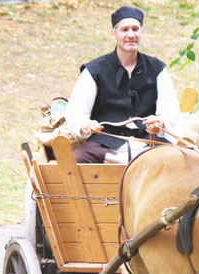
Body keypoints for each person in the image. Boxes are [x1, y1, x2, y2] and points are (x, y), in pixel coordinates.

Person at [64, 6, 180, 163]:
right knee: (73, 161)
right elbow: (75, 110)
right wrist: (85, 125)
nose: (131, 34)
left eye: (135, 29)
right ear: (114, 34)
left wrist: (160, 123)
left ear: (142, 32)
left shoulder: (157, 69)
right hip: (105, 144)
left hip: (148, 143)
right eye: (124, 29)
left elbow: (170, 109)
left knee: (178, 160)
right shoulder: (95, 70)